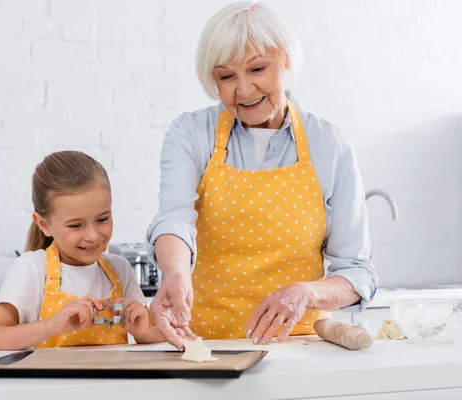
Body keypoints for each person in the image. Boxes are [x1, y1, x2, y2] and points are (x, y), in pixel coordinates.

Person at [146, 1, 378, 349]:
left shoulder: (329, 144)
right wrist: (175, 272)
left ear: (286, 60)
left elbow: (357, 273)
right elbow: (175, 219)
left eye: (258, 69)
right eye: (227, 76)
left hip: (302, 348)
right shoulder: (190, 133)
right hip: (207, 346)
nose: (244, 90)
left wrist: (305, 292)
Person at [0, 151, 166, 350]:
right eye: (75, 225)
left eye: (102, 219)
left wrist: (144, 332)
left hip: (112, 381)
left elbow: (155, 332)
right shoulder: (33, 268)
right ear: (44, 225)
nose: (92, 235)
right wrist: (50, 326)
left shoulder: (120, 268)